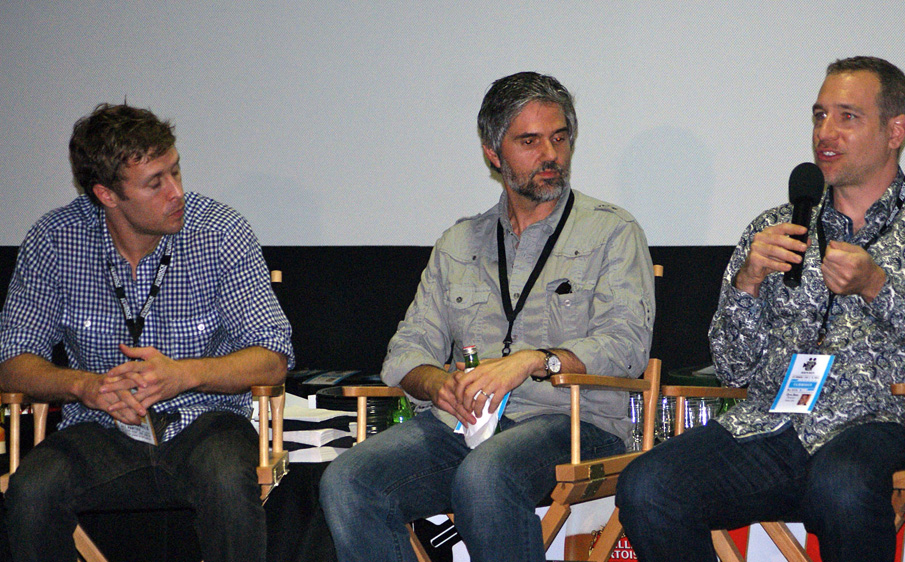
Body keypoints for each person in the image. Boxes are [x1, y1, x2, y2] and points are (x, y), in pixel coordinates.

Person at [617, 56, 905, 562]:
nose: (825, 133)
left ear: (895, 130)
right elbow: (732, 367)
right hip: (773, 426)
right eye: (819, 116)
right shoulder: (775, 228)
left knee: (839, 483)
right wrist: (747, 283)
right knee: (648, 484)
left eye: (847, 117)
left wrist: (878, 288)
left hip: (884, 427)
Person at [319, 71, 654, 562]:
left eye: (560, 138)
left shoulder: (613, 232)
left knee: (486, 474)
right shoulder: (458, 244)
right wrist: (438, 385)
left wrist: (533, 360)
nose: (551, 155)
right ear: (493, 153)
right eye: (530, 141)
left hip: (573, 424)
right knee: (349, 481)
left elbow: (625, 345)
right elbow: (406, 349)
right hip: (464, 426)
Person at [0, 103, 294, 562]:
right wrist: (84, 386)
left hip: (206, 421)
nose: (176, 192)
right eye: (155, 183)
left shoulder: (220, 232)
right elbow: (13, 362)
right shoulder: (56, 239)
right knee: (31, 490)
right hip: (98, 427)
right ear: (106, 194)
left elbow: (273, 355)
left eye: (175, 172)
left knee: (226, 478)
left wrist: (184, 375)